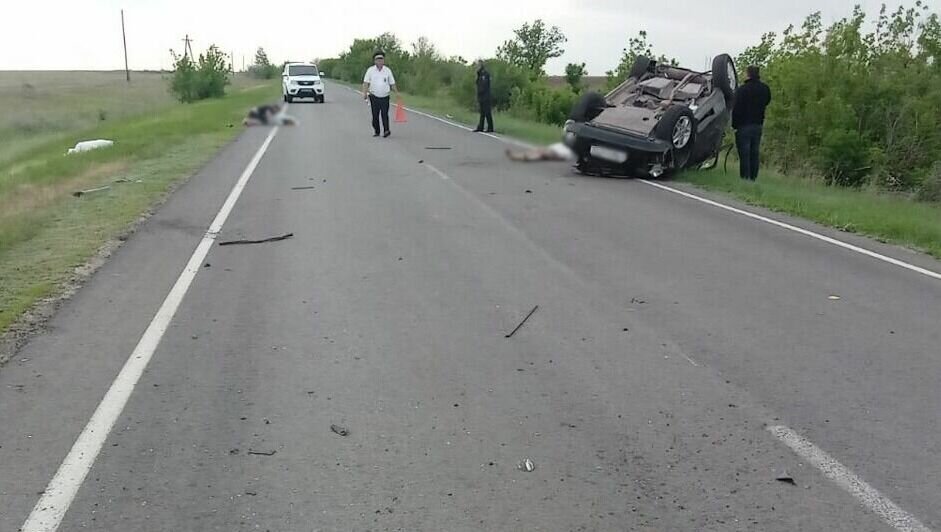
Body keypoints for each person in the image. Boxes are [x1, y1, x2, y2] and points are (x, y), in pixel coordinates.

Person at [732, 65, 772, 180]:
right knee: (754, 153)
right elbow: (767, 101)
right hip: (758, 124)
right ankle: (753, 178)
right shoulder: (765, 89)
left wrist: (734, 124)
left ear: (748, 74)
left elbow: (736, 108)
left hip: (743, 125)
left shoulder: (742, 90)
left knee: (744, 154)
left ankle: (745, 178)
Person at [362, 51, 399, 138]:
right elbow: (366, 83)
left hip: (385, 96)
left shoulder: (387, 70)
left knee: (384, 114)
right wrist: (365, 93)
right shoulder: (370, 70)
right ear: (375, 61)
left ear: (383, 60)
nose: (379, 61)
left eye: (381, 59)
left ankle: (386, 130)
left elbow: (392, 83)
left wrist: (397, 93)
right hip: (374, 96)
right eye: (377, 59)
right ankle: (377, 130)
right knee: (375, 115)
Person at [474, 60, 494, 133]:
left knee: (487, 112)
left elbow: (484, 85)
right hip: (481, 96)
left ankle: (490, 127)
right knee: (482, 112)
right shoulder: (479, 75)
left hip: (486, 96)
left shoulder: (485, 74)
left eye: (478, 65)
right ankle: (480, 127)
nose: (476, 67)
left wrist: (480, 92)